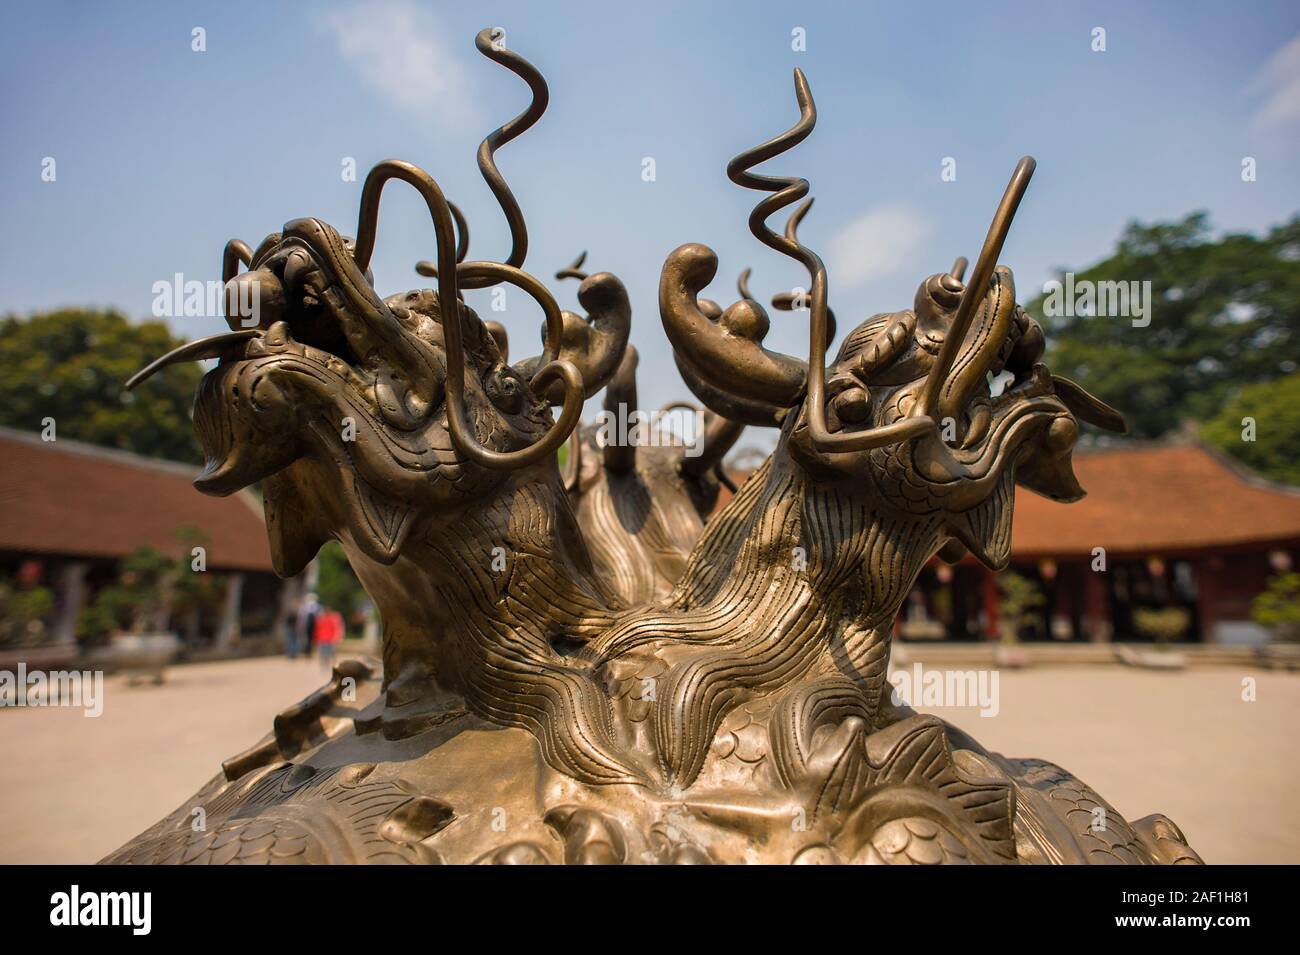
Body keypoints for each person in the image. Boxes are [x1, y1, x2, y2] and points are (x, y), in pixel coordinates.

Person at [294, 592, 320, 660]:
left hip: (313, 625)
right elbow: (301, 617)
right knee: (307, 639)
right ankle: (307, 652)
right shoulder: (306, 607)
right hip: (307, 625)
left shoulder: (316, 607)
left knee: (310, 639)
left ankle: (309, 652)